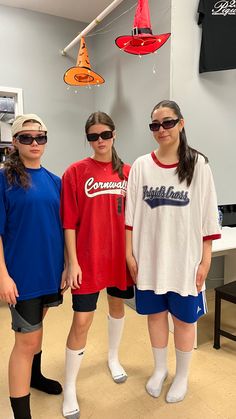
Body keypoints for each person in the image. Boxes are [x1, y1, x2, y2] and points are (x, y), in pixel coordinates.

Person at [125, 100, 221, 403]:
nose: (161, 130)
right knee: (155, 316)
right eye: (155, 125)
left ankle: (181, 375)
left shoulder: (198, 164)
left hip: (185, 260)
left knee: (183, 321)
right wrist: (130, 254)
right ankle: (159, 369)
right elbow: (130, 216)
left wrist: (205, 258)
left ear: (181, 123)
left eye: (167, 122)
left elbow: (208, 216)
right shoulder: (141, 165)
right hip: (149, 258)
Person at [60, 111, 134, 419]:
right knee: (81, 321)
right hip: (87, 260)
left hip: (119, 258)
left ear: (114, 135)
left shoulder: (130, 172)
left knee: (117, 308)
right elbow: (68, 223)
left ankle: (113, 358)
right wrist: (72, 263)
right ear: (88, 139)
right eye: (93, 136)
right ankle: (70, 386)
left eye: (105, 134)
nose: (100, 141)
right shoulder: (76, 172)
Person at [0, 114, 65, 419]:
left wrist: (65, 266)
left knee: (37, 333)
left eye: (40, 136)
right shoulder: (4, 180)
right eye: (26, 137)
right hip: (22, 277)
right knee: (26, 342)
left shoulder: (55, 181)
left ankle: (35, 377)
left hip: (49, 273)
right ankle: (21, 414)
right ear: (15, 142)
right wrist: (3, 275)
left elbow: (62, 228)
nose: (35, 142)